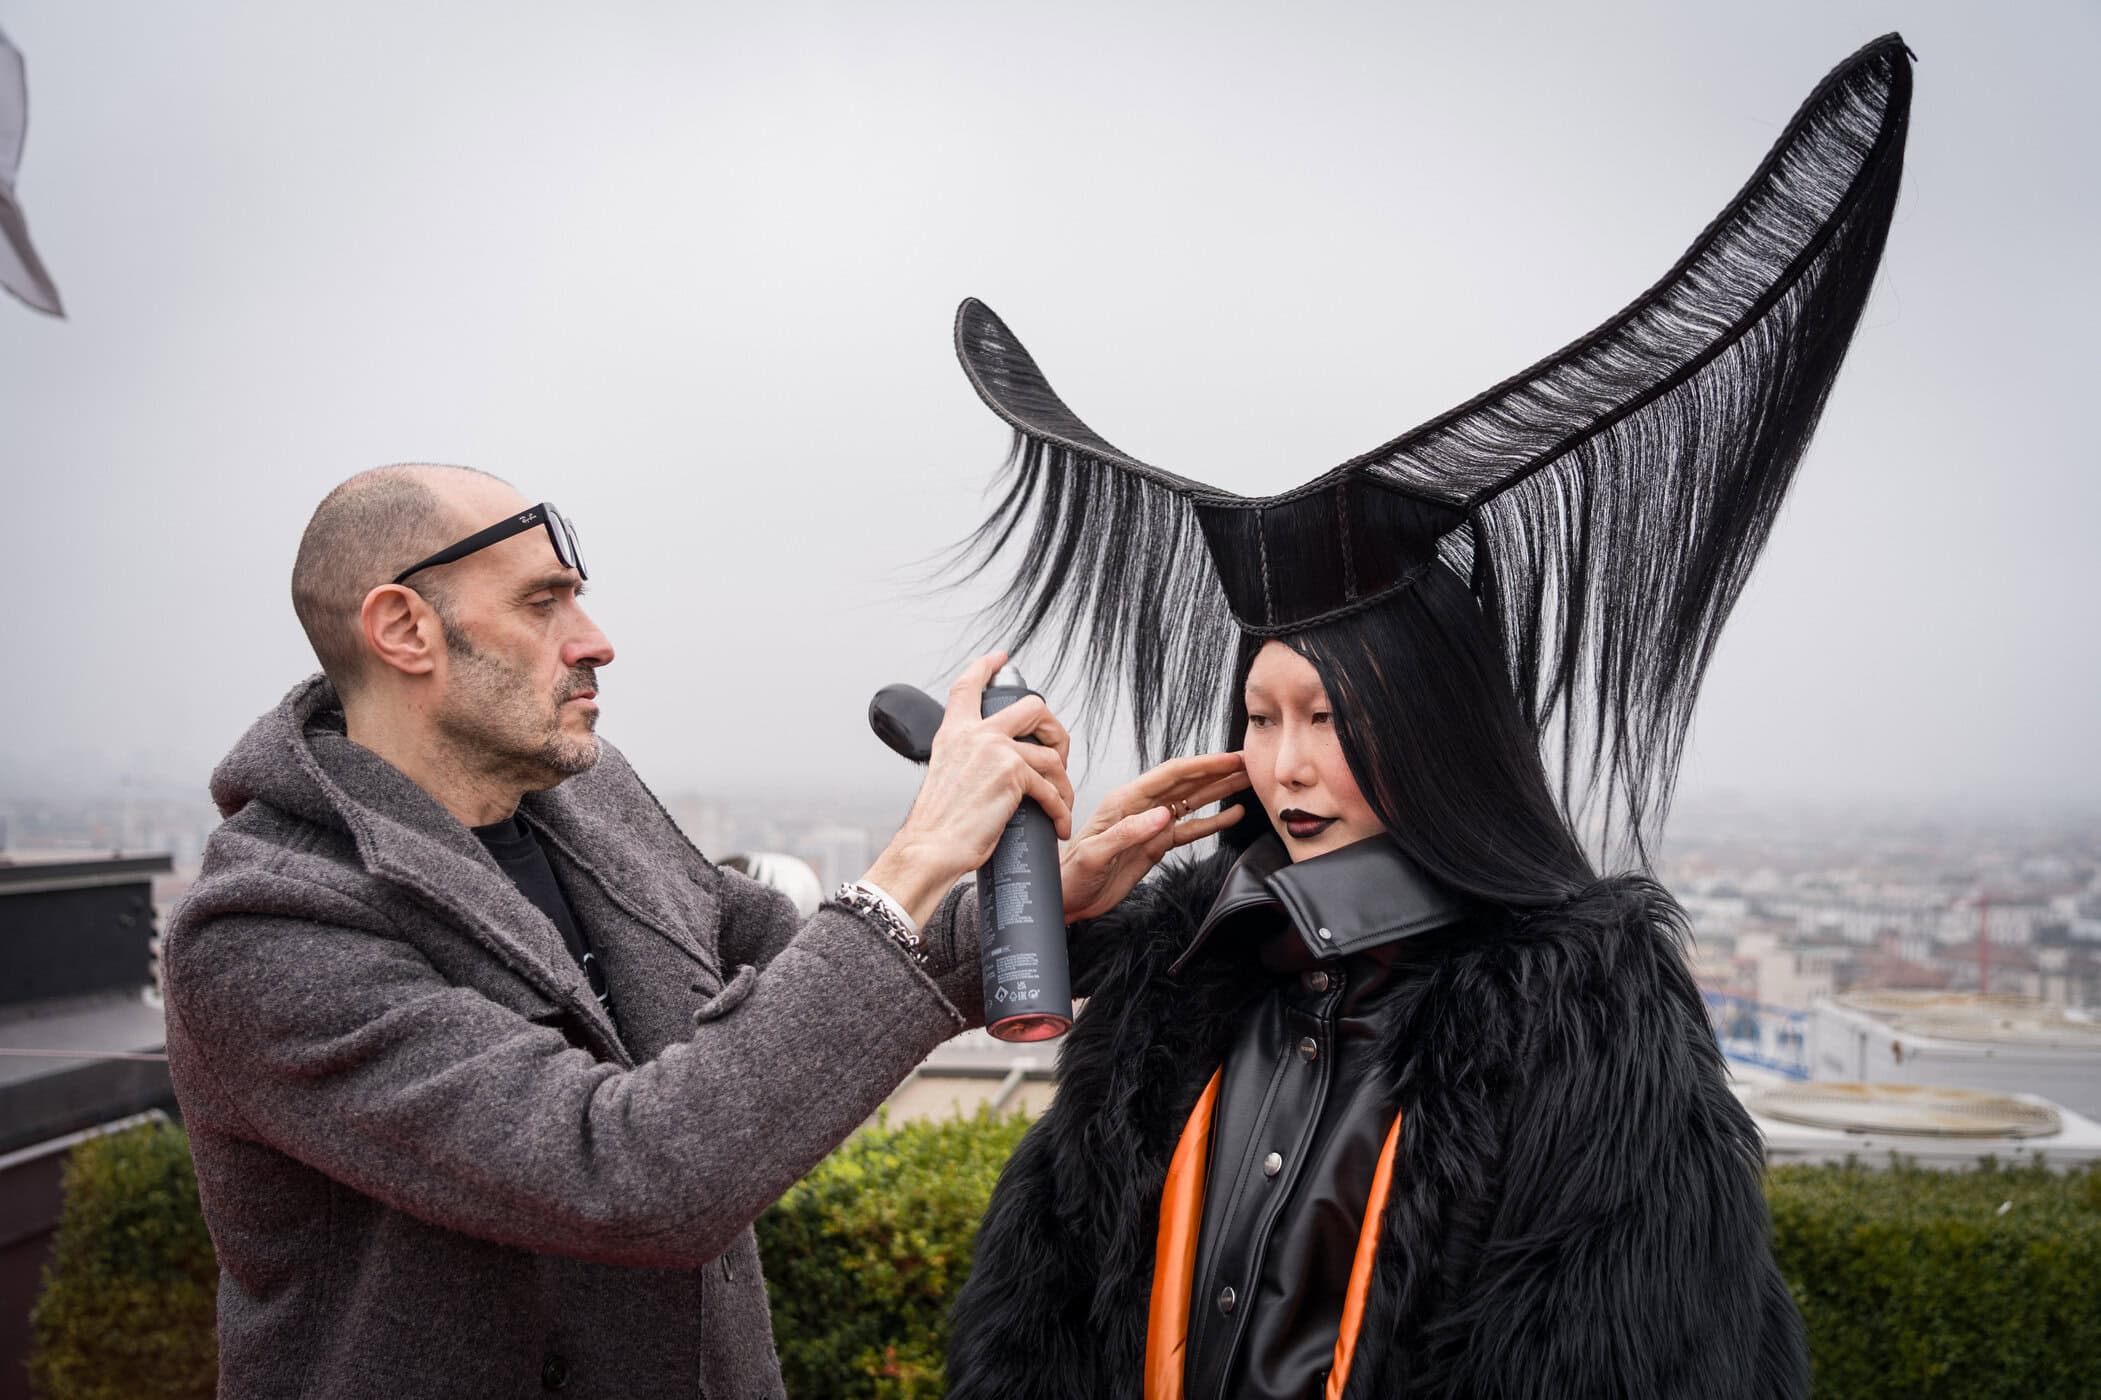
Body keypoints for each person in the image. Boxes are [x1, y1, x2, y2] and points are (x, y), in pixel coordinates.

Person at [938, 35, 1911, 1400]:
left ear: (1439, 731)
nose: (1286, 767)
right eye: (1262, 717)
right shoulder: (1177, 983)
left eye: (1330, 720)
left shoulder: (1584, 1022)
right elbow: (1042, 1331)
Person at [161, 461, 1244, 1399]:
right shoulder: (265, 927)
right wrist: (916, 855)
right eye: (544, 603)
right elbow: (628, 1175)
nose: (597, 642)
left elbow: (785, 962)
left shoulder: (591, 799)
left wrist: (1039, 899)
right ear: (403, 628)